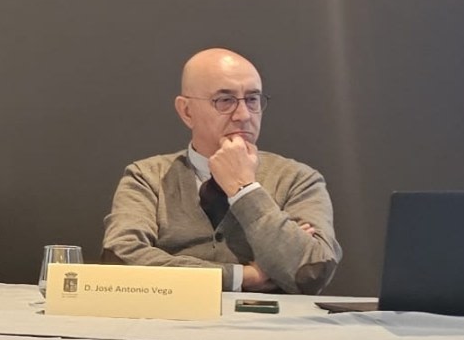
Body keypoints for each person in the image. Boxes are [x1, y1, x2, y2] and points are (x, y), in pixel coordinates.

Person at [102, 47, 340, 293]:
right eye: (225, 101)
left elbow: (311, 272)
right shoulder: (147, 177)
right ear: (187, 111)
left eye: (252, 99)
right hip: (174, 323)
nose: (243, 115)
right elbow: (120, 259)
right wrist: (240, 276)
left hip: (268, 326)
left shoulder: (299, 179)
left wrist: (244, 190)